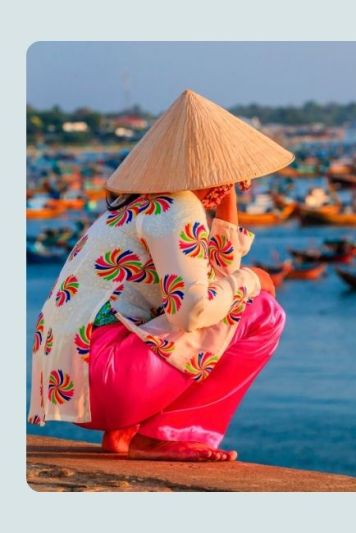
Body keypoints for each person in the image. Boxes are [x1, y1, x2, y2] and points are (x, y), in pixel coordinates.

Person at [28, 89, 292, 461]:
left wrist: (228, 197)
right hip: (107, 380)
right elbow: (195, 312)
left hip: (75, 384)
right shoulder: (177, 207)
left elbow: (215, 276)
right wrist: (252, 279)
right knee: (263, 311)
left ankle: (125, 433)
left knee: (230, 301)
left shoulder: (138, 207)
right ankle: (158, 435)